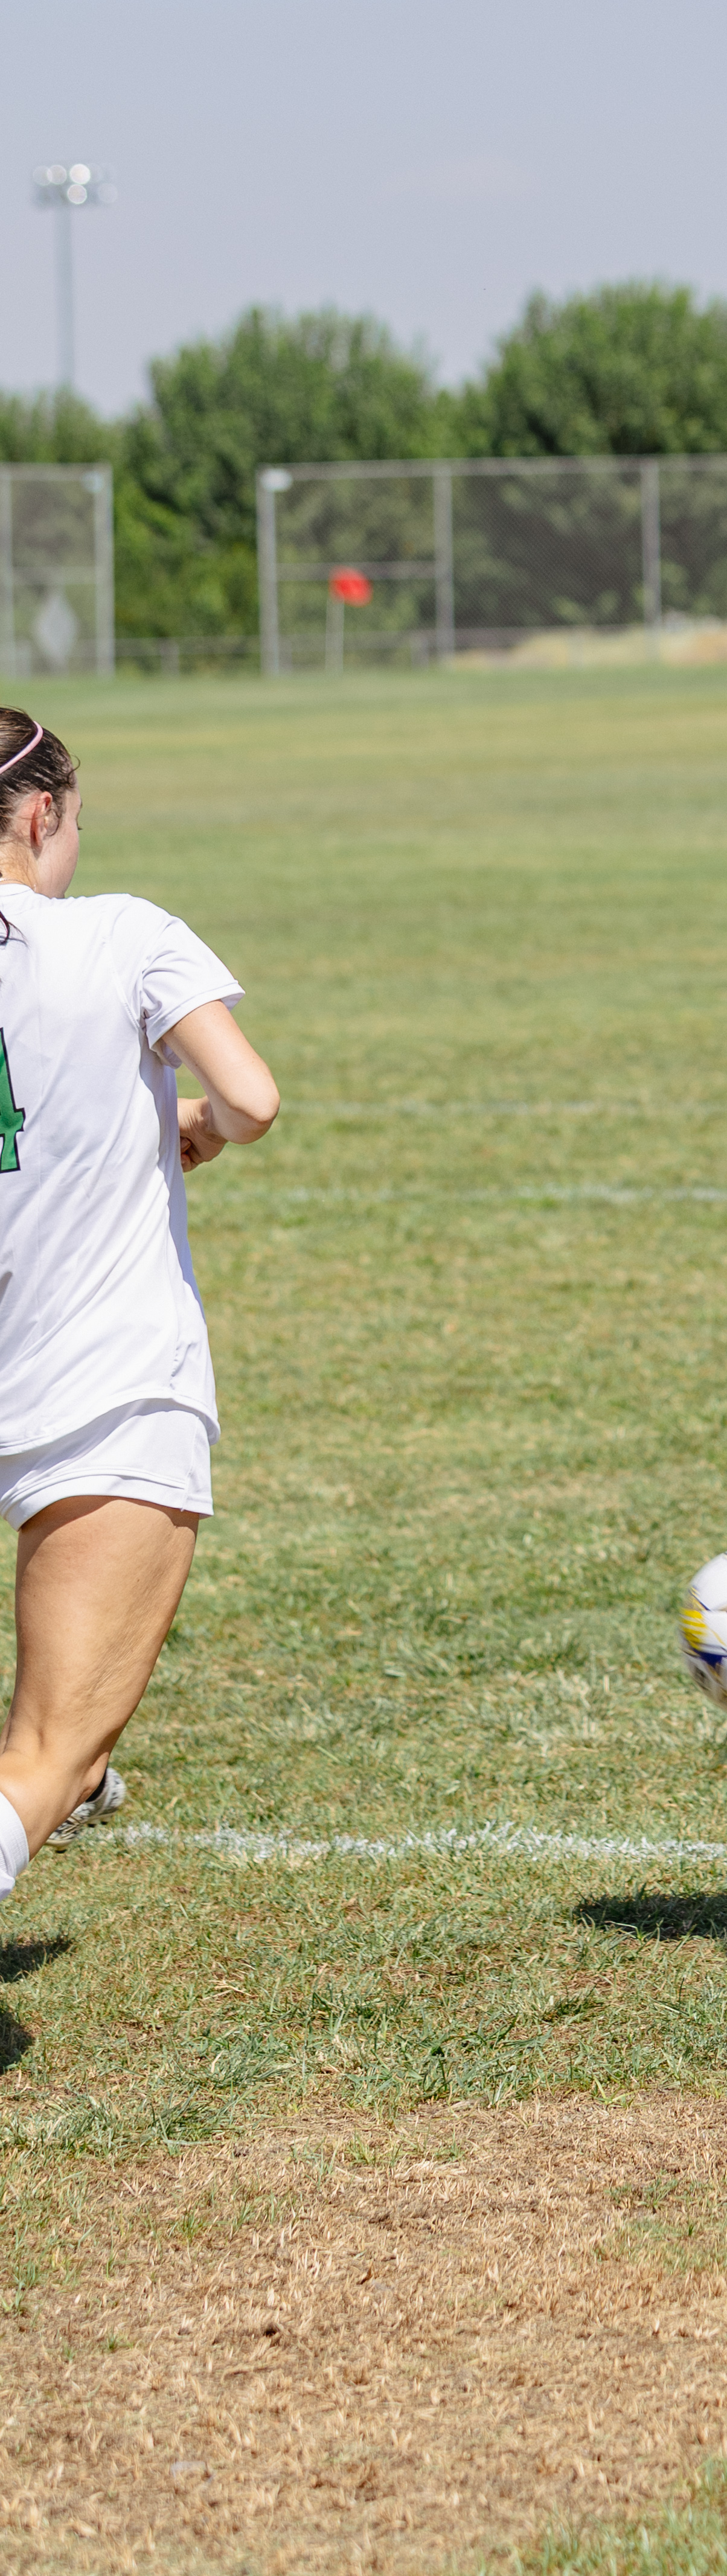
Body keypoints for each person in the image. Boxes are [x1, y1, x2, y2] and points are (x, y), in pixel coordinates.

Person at [0, 712, 279, 1906]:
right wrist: (201, 1128)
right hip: (104, 1384)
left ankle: (89, 1777)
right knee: (41, 1752)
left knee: (74, 1742)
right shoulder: (121, 934)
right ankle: (69, 1778)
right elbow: (253, 1098)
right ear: (45, 814)